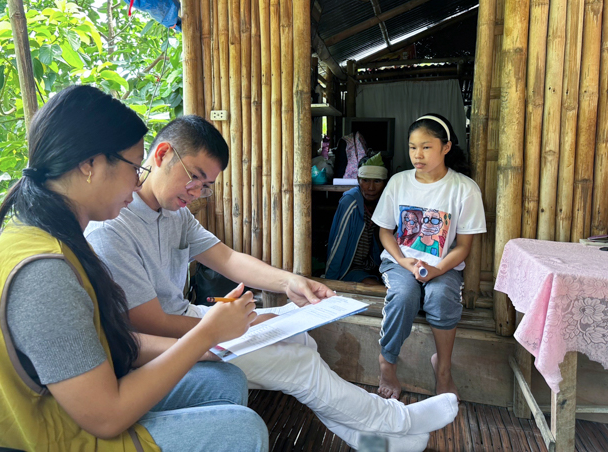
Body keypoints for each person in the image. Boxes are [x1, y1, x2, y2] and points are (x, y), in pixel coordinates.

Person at [85, 115, 460, 452]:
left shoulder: (173, 212)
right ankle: (396, 420)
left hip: (188, 319)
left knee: (300, 338)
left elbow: (227, 258)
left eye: (206, 186)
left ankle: (367, 439)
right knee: (298, 363)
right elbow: (150, 323)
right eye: (195, 177)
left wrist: (290, 281)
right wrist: (236, 324)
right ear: (161, 155)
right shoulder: (113, 224)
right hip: (164, 345)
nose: (197, 193)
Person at [0, 86, 269, 452]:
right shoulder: (45, 271)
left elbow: (104, 344)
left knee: (225, 381)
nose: (137, 180)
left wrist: (202, 342)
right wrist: (204, 336)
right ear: (89, 164)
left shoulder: (53, 234)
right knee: (243, 430)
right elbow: (105, 416)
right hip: (27, 431)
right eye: (133, 166)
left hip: (66, 403)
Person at [372, 113, 487, 401]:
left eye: (426, 147)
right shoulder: (398, 182)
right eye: (412, 147)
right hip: (400, 261)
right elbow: (385, 232)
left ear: (446, 147)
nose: (417, 155)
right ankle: (387, 361)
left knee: (441, 296)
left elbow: (463, 246)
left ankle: (443, 368)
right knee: (404, 295)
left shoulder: (464, 188)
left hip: (444, 266)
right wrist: (402, 261)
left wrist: (436, 269)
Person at [325, 153, 388, 284]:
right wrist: (330, 281)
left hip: (372, 266)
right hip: (349, 268)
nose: (371, 188)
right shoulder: (350, 202)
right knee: (376, 287)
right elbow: (338, 245)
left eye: (377, 181)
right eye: (365, 181)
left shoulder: (384, 202)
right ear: (358, 180)